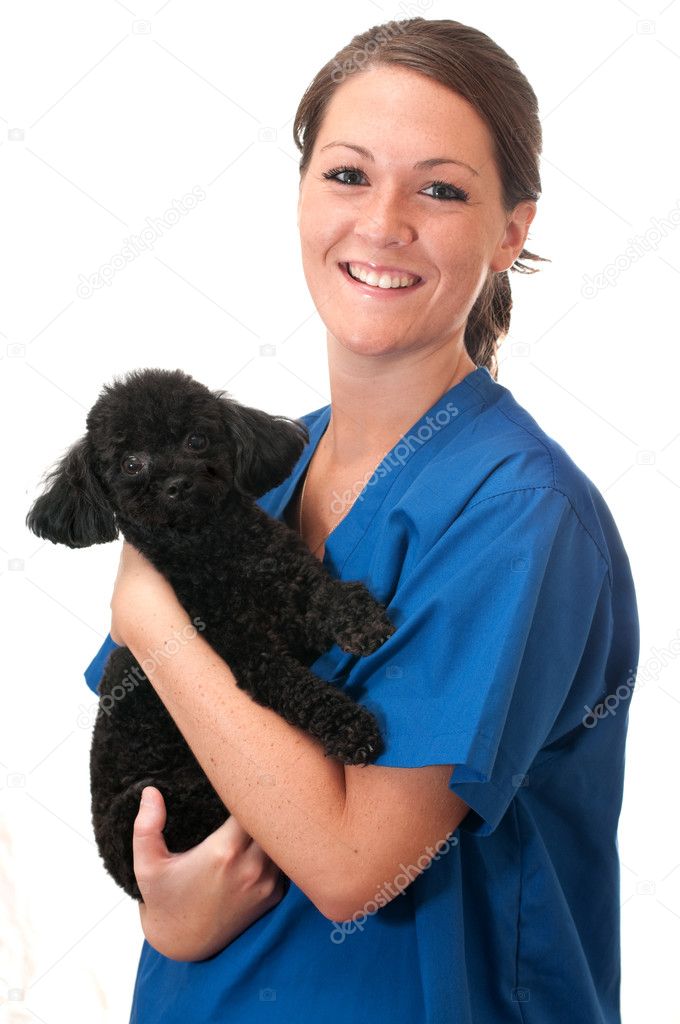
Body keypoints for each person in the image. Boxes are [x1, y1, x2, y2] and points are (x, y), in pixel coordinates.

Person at [83, 17, 639, 1023]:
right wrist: (162, 909)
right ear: (300, 193)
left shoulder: (521, 518)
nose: (382, 223)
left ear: (509, 230)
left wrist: (151, 616)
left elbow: (350, 864)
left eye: (438, 188)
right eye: (346, 174)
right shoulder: (241, 470)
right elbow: (155, 765)